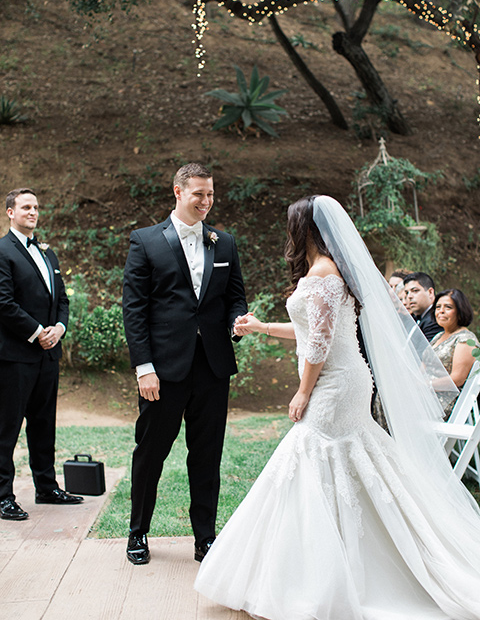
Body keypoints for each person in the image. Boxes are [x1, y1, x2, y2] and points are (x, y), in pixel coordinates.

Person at [195, 195, 480, 620]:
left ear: (304, 229)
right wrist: (260, 327)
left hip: (335, 383)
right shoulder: (326, 273)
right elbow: (309, 327)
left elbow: (320, 344)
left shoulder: (325, 274)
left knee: (312, 456)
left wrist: (303, 392)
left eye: (291, 225)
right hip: (340, 379)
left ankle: (317, 578)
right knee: (346, 460)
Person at [122, 163, 247, 565]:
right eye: (199, 194)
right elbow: (134, 310)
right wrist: (144, 368)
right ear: (178, 192)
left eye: (211, 194)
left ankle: (204, 539)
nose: (207, 202)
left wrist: (236, 321)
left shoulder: (224, 243)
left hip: (212, 367)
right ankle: (138, 532)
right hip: (162, 371)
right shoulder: (145, 241)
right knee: (151, 452)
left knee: (207, 455)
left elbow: (236, 298)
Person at [0, 188, 83, 522]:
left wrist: (59, 328)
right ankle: (3, 496)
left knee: (44, 423)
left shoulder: (49, 253)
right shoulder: (2, 251)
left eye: (36, 207)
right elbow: (3, 303)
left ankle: (46, 487)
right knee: (6, 427)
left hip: (49, 354)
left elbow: (62, 298)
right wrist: (38, 333)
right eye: (25, 207)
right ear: (10, 212)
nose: (32, 212)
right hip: (15, 355)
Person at [431, 288, 480, 418]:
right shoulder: (438, 336)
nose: (441, 311)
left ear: (460, 311)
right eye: (438, 307)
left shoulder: (465, 339)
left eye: (448, 307)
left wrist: (425, 386)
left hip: (444, 402)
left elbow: (457, 379)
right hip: (426, 394)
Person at [403, 271, 442, 341]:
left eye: (415, 291)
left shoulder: (436, 319)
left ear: (430, 292)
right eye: (407, 293)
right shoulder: (413, 318)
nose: (409, 296)